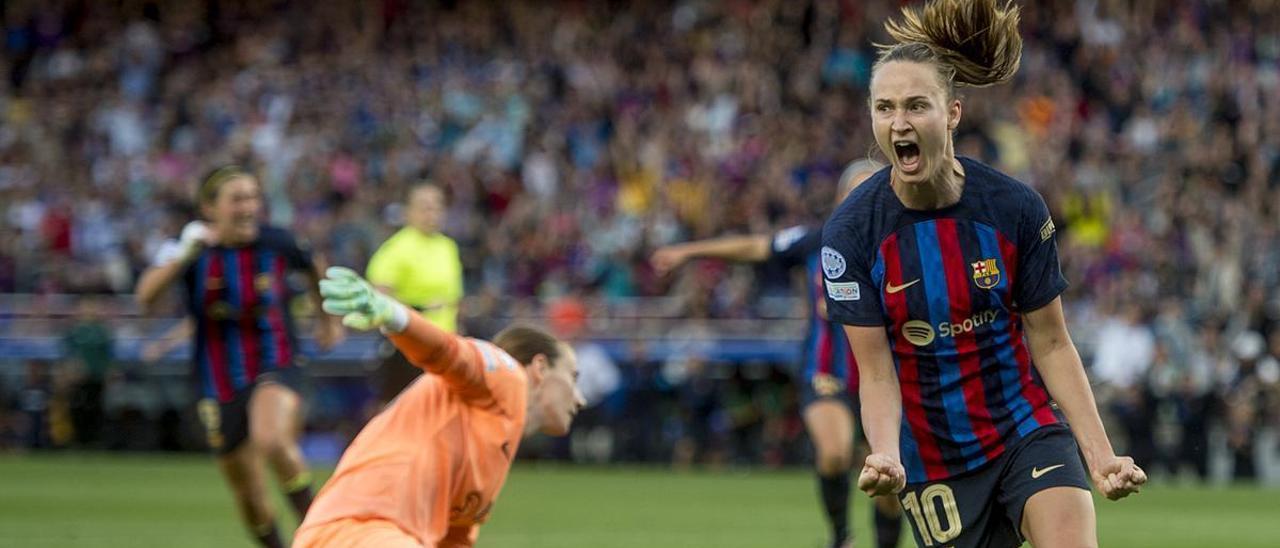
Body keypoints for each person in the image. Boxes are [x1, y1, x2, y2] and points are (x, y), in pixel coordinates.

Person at [820, 1, 1146, 547]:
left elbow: (1052, 343)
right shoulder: (850, 234)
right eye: (884, 108)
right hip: (933, 459)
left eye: (916, 105)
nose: (898, 122)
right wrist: (883, 451)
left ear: (952, 114)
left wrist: (1101, 454)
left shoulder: (1015, 209)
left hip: (1026, 430)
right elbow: (876, 371)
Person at [651, 160, 902, 548]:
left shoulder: (903, 249)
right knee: (834, 454)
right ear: (839, 199)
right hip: (826, 372)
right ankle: (841, 539)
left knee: (887, 484)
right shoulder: (816, 241)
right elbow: (755, 246)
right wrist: (689, 252)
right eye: (853, 191)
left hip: (886, 381)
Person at [294, 267, 586, 548]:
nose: (579, 398)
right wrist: (393, 314)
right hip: (361, 527)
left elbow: (455, 538)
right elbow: (448, 352)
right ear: (540, 367)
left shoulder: (498, 449)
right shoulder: (507, 374)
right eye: (572, 378)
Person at [135, 165, 345, 548]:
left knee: (272, 439)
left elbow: (316, 268)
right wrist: (185, 254)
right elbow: (145, 297)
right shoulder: (189, 252)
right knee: (247, 490)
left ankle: (324, 536)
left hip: (276, 359)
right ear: (210, 208)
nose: (249, 207)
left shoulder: (277, 242)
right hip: (217, 377)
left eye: (253, 197)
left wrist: (327, 319)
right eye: (237, 199)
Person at [366, 182, 464, 404]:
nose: (432, 213)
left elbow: (453, 300)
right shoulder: (395, 249)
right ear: (408, 211)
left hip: (446, 347)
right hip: (410, 348)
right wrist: (417, 310)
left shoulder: (448, 247)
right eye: (424, 207)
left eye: (437, 206)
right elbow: (379, 300)